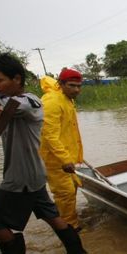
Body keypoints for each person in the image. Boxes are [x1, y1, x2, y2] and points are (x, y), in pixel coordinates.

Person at [0, 54, 87, 254]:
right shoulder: (15, 99)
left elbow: (6, 106)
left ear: (17, 79)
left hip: (22, 175)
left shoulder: (32, 102)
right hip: (33, 172)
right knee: (53, 217)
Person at [39, 67, 84, 231]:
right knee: (65, 193)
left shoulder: (66, 99)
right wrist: (65, 159)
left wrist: (74, 156)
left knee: (73, 188)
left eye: (79, 86)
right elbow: (50, 135)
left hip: (66, 155)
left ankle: (68, 219)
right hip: (55, 159)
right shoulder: (52, 102)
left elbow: (67, 131)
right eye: (72, 85)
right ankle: (70, 228)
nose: (76, 90)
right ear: (61, 84)